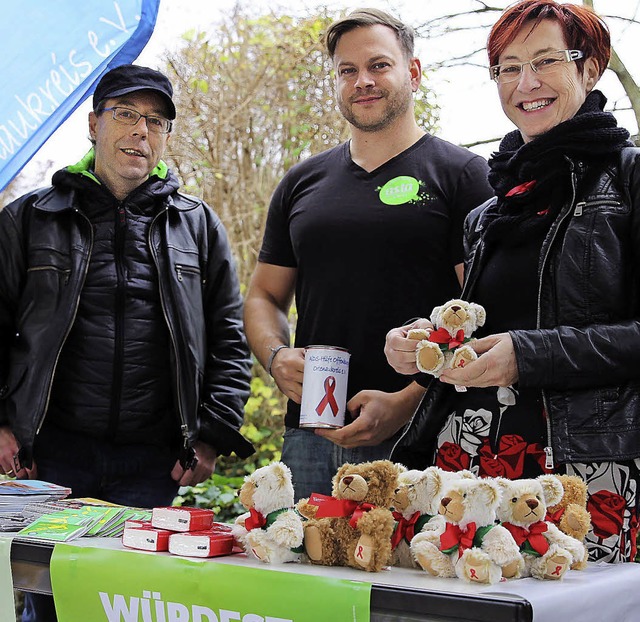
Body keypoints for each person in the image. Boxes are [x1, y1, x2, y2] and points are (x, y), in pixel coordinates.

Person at [386, 0, 640, 563]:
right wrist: (428, 345)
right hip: (472, 464)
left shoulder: (628, 177)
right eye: (508, 66)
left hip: (585, 470)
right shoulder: (489, 213)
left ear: (590, 68)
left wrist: (529, 356)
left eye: (546, 61)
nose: (527, 82)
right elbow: (485, 327)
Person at [0, 64, 253, 620]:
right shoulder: (28, 218)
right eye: (127, 114)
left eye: (156, 121)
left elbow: (229, 340)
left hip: (152, 463)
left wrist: (210, 435)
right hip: (51, 458)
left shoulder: (198, 225)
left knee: (128, 606)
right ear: (94, 124)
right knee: (47, 604)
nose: (141, 130)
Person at [244, 9, 493, 501]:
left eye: (379, 65)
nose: (363, 81)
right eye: (347, 70)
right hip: (310, 437)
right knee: (304, 573)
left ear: (413, 73)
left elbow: (483, 314)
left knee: (412, 576)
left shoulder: (465, 176)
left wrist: (408, 401)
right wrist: (275, 358)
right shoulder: (301, 182)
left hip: (427, 439)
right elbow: (263, 297)